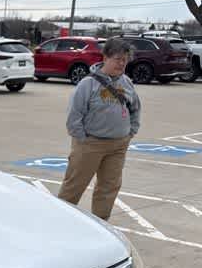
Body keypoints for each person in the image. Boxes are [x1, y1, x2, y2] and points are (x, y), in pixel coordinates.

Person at [56, 36, 141, 221]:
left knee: (109, 187)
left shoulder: (126, 82)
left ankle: (101, 223)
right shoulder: (88, 84)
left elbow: (135, 109)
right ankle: (60, 222)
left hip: (118, 145)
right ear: (105, 58)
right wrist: (82, 139)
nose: (122, 63)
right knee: (74, 186)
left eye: (125, 60)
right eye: (117, 59)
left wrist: (130, 132)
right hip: (90, 144)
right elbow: (74, 115)